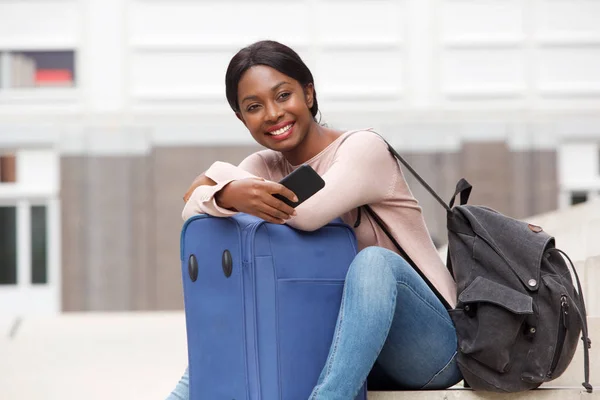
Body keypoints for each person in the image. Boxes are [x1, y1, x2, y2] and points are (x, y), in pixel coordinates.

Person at [168, 40, 461, 400]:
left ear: (308, 93)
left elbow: (306, 215)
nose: (273, 114)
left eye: (283, 95)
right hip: (347, 347)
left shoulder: (363, 148)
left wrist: (221, 182)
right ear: (241, 118)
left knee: (374, 263)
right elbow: (192, 213)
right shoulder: (263, 167)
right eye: (254, 107)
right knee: (243, 297)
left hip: (431, 346)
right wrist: (229, 193)